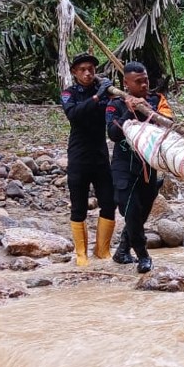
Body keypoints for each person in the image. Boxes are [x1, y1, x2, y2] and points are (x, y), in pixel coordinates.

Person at [106, 61, 174, 273]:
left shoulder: (157, 99)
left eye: (146, 80)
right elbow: (113, 134)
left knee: (142, 212)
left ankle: (122, 251)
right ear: (126, 83)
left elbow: (170, 123)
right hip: (123, 165)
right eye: (139, 82)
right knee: (132, 211)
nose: (145, 84)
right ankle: (143, 256)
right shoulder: (115, 103)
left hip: (148, 164)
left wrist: (147, 109)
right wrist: (129, 112)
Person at [60, 52, 117, 266]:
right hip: (78, 157)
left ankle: (102, 250)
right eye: (82, 69)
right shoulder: (69, 93)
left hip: (100, 157)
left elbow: (116, 110)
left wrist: (110, 94)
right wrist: (96, 97)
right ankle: (81, 254)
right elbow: (74, 114)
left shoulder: (104, 91)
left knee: (109, 203)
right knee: (79, 207)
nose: (87, 73)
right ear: (75, 72)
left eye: (91, 69)